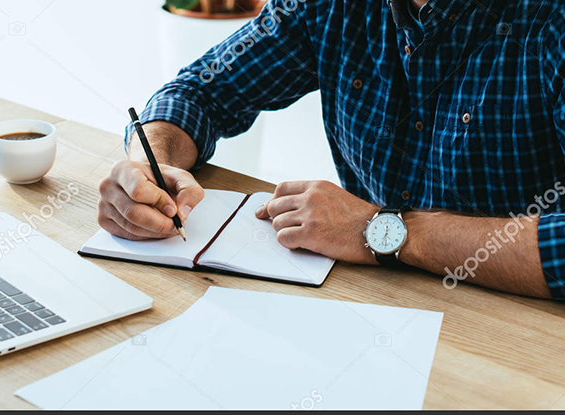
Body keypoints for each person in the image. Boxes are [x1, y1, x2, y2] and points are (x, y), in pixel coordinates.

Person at [97, 0, 565, 299]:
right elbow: (199, 92)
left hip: (521, 332)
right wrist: (147, 164)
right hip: (369, 303)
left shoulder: (551, 22)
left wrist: (383, 231)